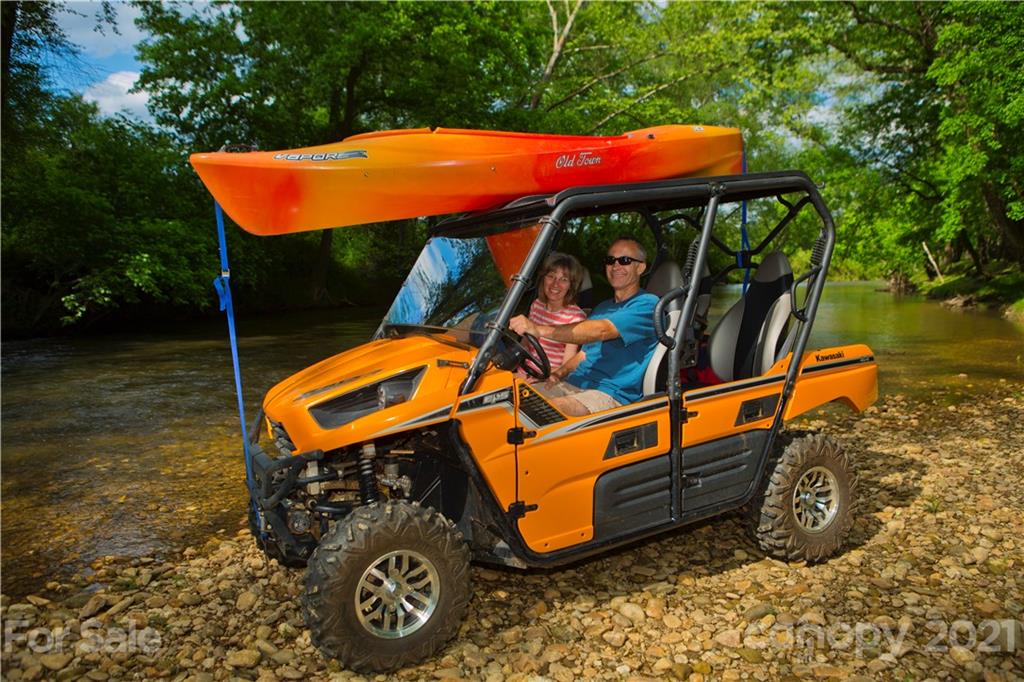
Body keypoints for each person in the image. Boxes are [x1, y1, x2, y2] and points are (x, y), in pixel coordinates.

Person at [510, 237, 658, 416]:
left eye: (624, 260)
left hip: (607, 394)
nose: (615, 266)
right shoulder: (602, 308)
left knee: (540, 411)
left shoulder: (648, 304)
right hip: (573, 384)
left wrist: (539, 329)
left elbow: (603, 330)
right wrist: (557, 374)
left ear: (640, 267)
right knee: (511, 401)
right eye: (610, 260)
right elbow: (583, 354)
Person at [519, 252, 587, 381]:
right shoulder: (536, 305)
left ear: (571, 286)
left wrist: (538, 379)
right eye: (551, 276)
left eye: (564, 279)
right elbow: (525, 343)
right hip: (523, 372)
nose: (555, 284)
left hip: (547, 380)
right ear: (543, 278)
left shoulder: (576, 318)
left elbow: (566, 366)